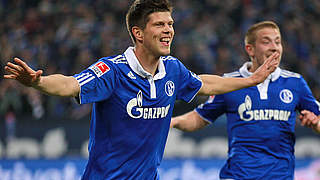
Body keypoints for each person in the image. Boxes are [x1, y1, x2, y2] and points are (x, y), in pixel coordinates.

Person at [4, 0, 279, 179]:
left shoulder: (173, 69)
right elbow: (69, 84)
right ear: (138, 33)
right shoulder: (112, 70)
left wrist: (251, 80)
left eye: (170, 24)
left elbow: (206, 84)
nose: (169, 30)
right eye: (160, 24)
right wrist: (38, 82)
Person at [171, 20, 320, 180]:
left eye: (278, 42)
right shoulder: (230, 83)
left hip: (280, 176)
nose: (274, 47)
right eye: (266, 41)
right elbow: (199, 118)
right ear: (250, 49)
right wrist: (170, 122)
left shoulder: (295, 82)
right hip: (238, 176)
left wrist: (316, 123)